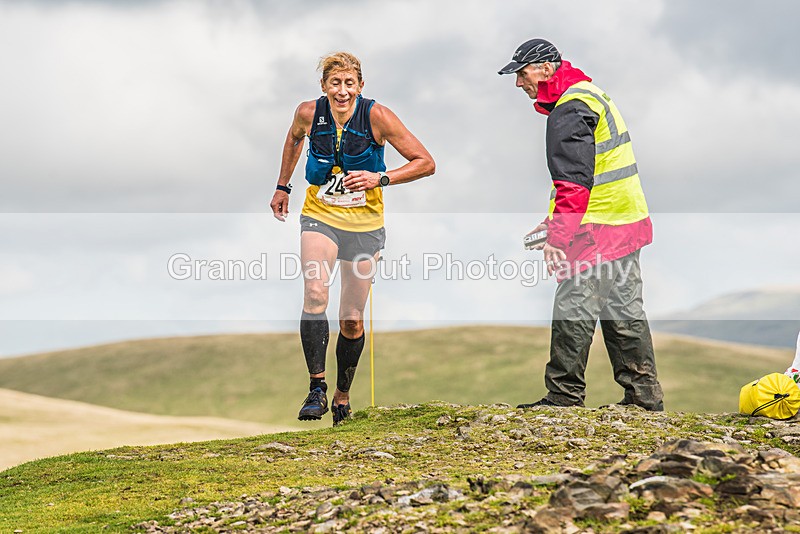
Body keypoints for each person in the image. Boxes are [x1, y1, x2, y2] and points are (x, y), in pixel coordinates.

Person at [270, 52, 435, 425]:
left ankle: (342, 396)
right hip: (320, 215)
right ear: (324, 86)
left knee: (351, 320)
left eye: (349, 84)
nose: (342, 91)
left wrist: (382, 178)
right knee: (315, 293)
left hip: (365, 225)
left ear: (360, 86)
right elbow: (295, 138)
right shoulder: (308, 113)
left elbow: (425, 162)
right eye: (335, 83)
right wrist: (283, 186)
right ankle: (317, 388)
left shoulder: (377, 116)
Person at [498, 39, 664, 410]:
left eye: (522, 73)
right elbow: (590, 174)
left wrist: (558, 237)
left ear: (544, 68)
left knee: (574, 306)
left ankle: (563, 394)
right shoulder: (589, 94)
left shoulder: (570, 109)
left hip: (597, 226)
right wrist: (552, 221)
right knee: (623, 309)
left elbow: (573, 181)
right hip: (625, 218)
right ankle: (644, 397)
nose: (518, 83)